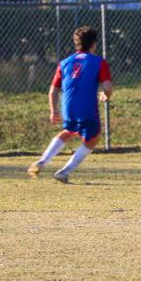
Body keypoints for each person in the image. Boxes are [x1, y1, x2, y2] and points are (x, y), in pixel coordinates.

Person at [27, 26, 112, 183]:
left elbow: (53, 90)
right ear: (94, 44)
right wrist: (105, 95)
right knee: (93, 138)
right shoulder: (99, 62)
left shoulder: (64, 62)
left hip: (68, 108)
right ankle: (64, 172)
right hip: (87, 109)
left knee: (68, 131)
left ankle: (43, 161)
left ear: (76, 43)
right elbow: (107, 87)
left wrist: (53, 111)